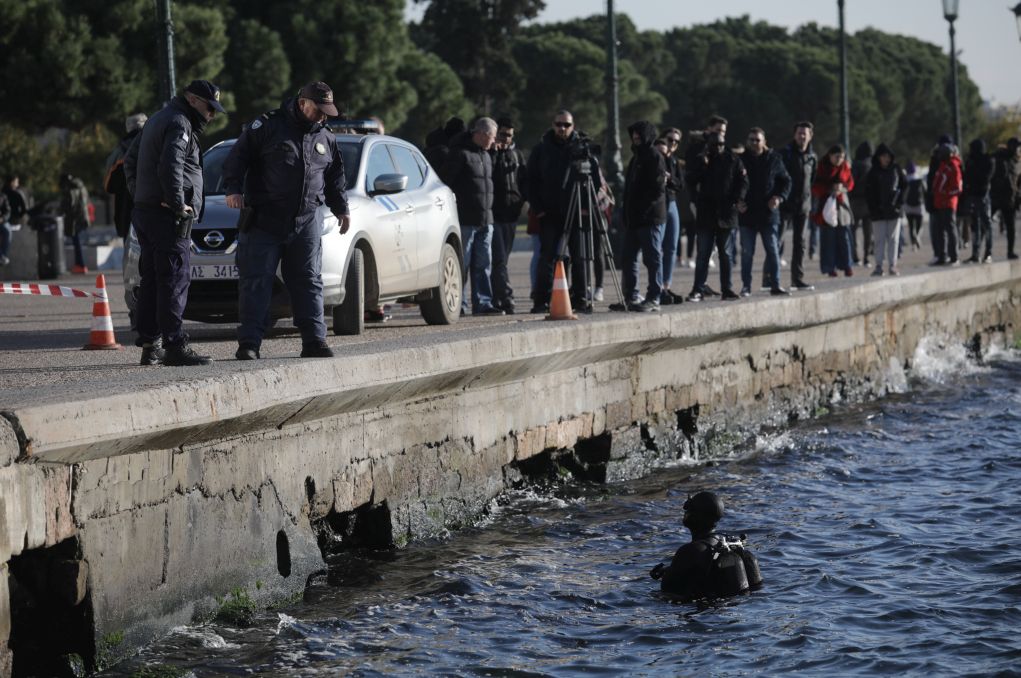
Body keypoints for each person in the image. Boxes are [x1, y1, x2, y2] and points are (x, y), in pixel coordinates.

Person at [222, 81, 350, 360]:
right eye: (319, 109)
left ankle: (314, 341)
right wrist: (233, 188)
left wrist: (342, 208)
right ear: (303, 103)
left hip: (306, 222)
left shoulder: (325, 136)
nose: (323, 115)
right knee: (256, 283)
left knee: (308, 282)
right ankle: (250, 344)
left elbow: (335, 176)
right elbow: (237, 158)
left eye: (327, 110)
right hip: (264, 220)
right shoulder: (267, 126)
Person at [124, 79, 224, 366]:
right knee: (174, 279)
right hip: (167, 216)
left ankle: (150, 344)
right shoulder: (180, 123)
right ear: (192, 100)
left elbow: (130, 162)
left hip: (147, 212)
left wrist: (143, 195)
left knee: (153, 278)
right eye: (209, 107)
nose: (212, 114)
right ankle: (175, 345)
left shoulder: (157, 119)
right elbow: (172, 164)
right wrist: (177, 203)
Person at [527, 109, 596, 313]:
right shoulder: (541, 149)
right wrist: (538, 209)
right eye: (559, 124)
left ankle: (581, 298)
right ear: (552, 125)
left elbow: (594, 181)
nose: (562, 128)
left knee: (580, 256)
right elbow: (530, 181)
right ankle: (541, 300)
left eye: (566, 125)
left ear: (573, 126)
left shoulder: (582, 149)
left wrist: (586, 208)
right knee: (547, 257)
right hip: (549, 213)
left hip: (577, 213)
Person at [440, 117, 503, 316]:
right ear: (483, 134)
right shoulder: (460, 154)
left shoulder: (486, 155)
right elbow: (446, 182)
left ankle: (483, 303)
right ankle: (460, 303)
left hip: (486, 220)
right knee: (463, 265)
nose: (494, 142)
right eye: (493, 137)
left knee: (483, 265)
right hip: (465, 220)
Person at [650, 491, 762, 600]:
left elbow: (668, 590)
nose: (685, 511)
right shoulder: (729, 543)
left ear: (696, 515)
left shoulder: (691, 551)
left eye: (688, 508)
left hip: (705, 612)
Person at [685, 131, 747, 302]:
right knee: (703, 253)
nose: (718, 148)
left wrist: (737, 199)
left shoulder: (732, 159)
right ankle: (698, 289)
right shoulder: (701, 159)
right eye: (714, 145)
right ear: (708, 145)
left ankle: (727, 289)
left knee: (725, 254)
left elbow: (742, 182)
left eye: (720, 144)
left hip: (726, 214)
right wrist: (702, 166)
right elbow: (689, 179)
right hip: (706, 214)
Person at [738, 127, 791, 297]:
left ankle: (775, 284)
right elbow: (732, 183)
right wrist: (737, 202)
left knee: (773, 250)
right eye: (751, 139)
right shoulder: (740, 160)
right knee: (747, 252)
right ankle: (746, 286)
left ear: (764, 142)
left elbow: (786, 181)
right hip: (747, 213)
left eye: (757, 140)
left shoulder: (774, 159)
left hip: (769, 213)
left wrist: (779, 197)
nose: (754, 143)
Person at [620, 121, 667, 312]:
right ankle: (631, 296)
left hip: (649, 218)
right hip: (634, 220)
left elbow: (657, 189)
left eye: (639, 134)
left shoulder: (654, 156)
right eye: (634, 135)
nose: (635, 137)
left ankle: (654, 297)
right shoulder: (636, 157)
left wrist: (643, 208)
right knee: (628, 257)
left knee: (652, 258)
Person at [489, 117, 527, 314]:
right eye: (502, 134)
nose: (506, 139)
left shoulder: (518, 156)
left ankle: (497, 297)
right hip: (494, 216)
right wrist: (495, 154)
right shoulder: (489, 154)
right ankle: (505, 296)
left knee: (502, 260)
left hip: (512, 216)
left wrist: (523, 201)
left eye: (509, 135)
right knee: (499, 259)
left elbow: (525, 181)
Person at [779, 122, 818, 291]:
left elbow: (812, 180)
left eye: (805, 133)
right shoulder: (785, 154)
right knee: (777, 241)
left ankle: (797, 279)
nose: (802, 136)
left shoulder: (812, 157)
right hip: (785, 205)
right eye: (799, 133)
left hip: (803, 206)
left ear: (810, 136)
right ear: (794, 135)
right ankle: (770, 278)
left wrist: (808, 201)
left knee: (800, 243)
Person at [812, 144, 855, 277]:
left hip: (842, 206)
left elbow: (851, 183)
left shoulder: (845, 167)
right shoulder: (821, 167)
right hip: (826, 207)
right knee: (828, 239)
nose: (839, 160)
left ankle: (847, 266)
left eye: (842, 157)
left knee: (845, 238)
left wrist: (842, 189)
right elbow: (814, 186)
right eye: (837, 157)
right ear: (830, 155)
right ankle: (829, 267)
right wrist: (829, 189)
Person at [864, 143, 906, 276]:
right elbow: (869, 193)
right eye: (883, 156)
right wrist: (873, 208)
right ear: (878, 157)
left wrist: (899, 203)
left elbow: (904, 186)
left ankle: (893, 266)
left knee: (894, 239)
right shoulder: (873, 172)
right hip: (878, 212)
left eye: (888, 156)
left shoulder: (896, 169)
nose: (886, 159)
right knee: (879, 240)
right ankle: (878, 266)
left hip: (894, 211)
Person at [104, 113, 147, 240]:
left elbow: (109, 186)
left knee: (130, 254)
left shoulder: (119, 152)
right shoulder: (155, 144)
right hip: (152, 210)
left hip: (126, 212)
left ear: (128, 127)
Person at [658, 128, 685, 303]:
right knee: (657, 248)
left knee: (672, 248)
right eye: (670, 139)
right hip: (659, 204)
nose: (672, 144)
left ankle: (666, 286)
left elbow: (680, 184)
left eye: (676, 141)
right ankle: (657, 286)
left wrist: (670, 180)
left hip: (672, 203)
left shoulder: (674, 161)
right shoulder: (657, 157)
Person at [961, 138, 995, 264]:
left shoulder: (988, 160)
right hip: (972, 195)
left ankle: (988, 252)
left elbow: (985, 178)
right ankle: (975, 254)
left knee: (987, 224)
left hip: (982, 195)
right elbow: (967, 176)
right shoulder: (971, 160)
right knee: (975, 225)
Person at [930, 144, 963, 266]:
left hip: (948, 204)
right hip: (939, 203)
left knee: (950, 230)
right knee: (940, 231)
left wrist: (945, 194)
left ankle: (954, 257)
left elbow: (957, 189)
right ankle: (942, 256)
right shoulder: (943, 166)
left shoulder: (953, 167)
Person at [991, 137, 1021, 260]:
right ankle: (984, 252)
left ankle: (1010, 251)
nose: (1018, 149)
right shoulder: (999, 158)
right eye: (1016, 147)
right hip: (997, 197)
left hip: (1011, 199)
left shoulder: (1016, 161)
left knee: (1011, 227)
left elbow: (1017, 181)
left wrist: (1017, 195)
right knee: (985, 224)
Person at [60, 171, 91, 274]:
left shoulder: (71, 189)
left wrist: (60, 210)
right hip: (83, 216)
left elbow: (70, 204)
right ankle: (80, 264)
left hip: (75, 218)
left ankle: (80, 265)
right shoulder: (81, 186)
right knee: (78, 241)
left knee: (76, 241)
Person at [848, 141, 873, 268]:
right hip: (869, 202)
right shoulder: (872, 164)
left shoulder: (856, 165)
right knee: (868, 232)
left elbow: (851, 183)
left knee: (853, 231)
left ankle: (855, 257)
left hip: (855, 202)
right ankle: (867, 257)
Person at [2, 175, 29, 266]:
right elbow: (25, 209)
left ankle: (2, 256)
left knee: (7, 231)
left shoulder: (3, 195)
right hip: (13, 220)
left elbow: (7, 210)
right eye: (16, 182)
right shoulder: (17, 193)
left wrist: (3, 218)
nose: (17, 184)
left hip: (5, 221)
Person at [903, 161, 926, 250]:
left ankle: (913, 243)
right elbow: (925, 191)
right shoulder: (919, 180)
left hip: (908, 206)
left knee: (911, 226)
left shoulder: (906, 180)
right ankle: (917, 237)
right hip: (919, 206)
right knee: (919, 225)